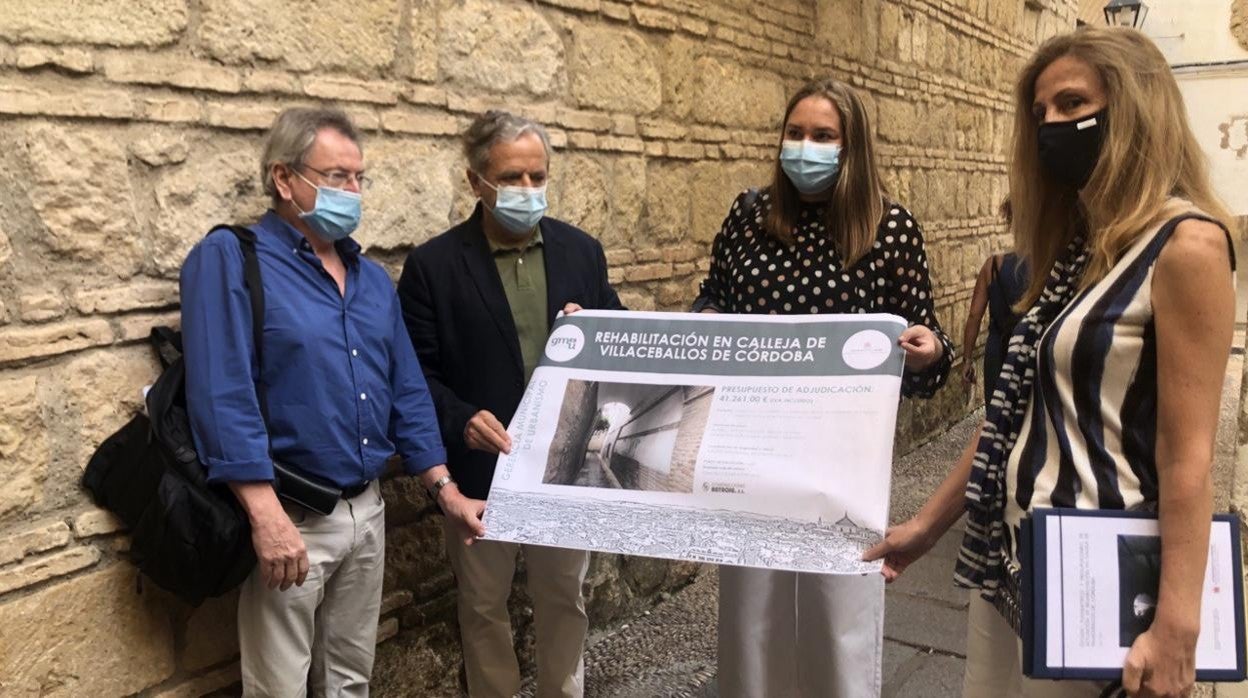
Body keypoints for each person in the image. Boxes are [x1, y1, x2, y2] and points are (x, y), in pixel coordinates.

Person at [866, 26, 1236, 698]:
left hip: (1097, 572)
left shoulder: (1188, 247)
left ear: (1134, 111)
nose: (1051, 126)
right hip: (1009, 562)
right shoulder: (1075, 252)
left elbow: (1189, 458)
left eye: (1071, 104)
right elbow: (1017, 418)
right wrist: (924, 528)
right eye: (1040, 114)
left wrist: (1178, 623)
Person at [181, 107, 485, 697]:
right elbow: (221, 393)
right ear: (283, 178)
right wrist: (265, 517)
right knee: (279, 686)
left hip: (366, 512)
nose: (352, 191)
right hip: (291, 513)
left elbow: (407, 390)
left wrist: (444, 490)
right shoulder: (232, 259)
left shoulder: (370, 278)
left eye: (358, 178)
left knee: (351, 679)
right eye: (337, 176)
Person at [692, 77, 953, 697]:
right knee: (752, 616)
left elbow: (932, 349)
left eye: (823, 136)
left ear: (851, 147)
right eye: (796, 133)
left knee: (840, 618)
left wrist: (928, 351)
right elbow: (714, 299)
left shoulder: (890, 230)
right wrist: (703, 320)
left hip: (843, 467)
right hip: (751, 456)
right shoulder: (749, 217)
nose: (805, 146)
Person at [397, 110, 623, 698]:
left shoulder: (581, 252)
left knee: (564, 599)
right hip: (478, 475)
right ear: (476, 182)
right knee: (482, 606)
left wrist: (596, 330)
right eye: (512, 178)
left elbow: (623, 338)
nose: (527, 191)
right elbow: (416, 372)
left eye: (537, 177)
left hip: (565, 469)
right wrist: (460, 418)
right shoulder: (433, 267)